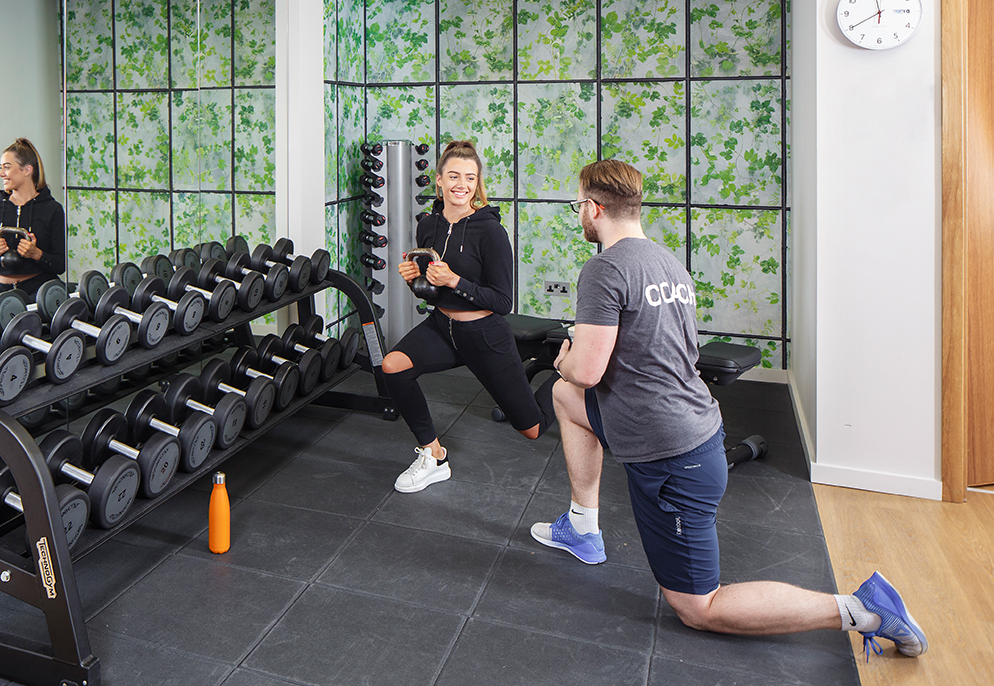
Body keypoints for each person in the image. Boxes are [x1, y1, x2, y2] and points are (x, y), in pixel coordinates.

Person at [529, 159, 926, 660]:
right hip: (688, 421)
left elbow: (585, 372)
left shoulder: (604, 268)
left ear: (593, 206)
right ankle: (582, 526)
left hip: (672, 456)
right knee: (567, 402)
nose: (579, 216)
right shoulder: (667, 263)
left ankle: (860, 609)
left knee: (699, 608)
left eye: (577, 207)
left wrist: (565, 361)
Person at [382, 140, 554, 493]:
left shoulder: (491, 231)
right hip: (442, 328)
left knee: (531, 429)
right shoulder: (427, 226)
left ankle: (571, 379)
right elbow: (430, 292)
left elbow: (503, 300)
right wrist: (415, 279)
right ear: (439, 180)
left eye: (470, 178)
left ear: (478, 184)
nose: (462, 184)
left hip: (485, 334)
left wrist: (455, 280)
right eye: (455, 176)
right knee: (393, 365)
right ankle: (434, 457)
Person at [0, 138, 66, 297]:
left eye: (7, 167)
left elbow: (60, 266)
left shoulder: (53, 209)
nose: (1, 173)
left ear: (27, 170)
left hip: (38, 293)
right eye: (1, 168)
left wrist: (36, 254)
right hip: (1, 295)